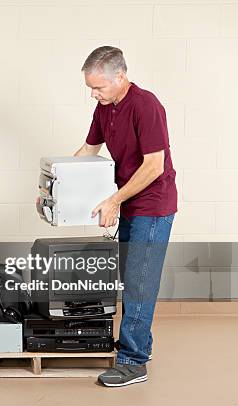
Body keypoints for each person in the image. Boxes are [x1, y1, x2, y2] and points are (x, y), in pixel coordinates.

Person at [75, 46, 177, 387]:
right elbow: (88, 151)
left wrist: (114, 200)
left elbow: (154, 165)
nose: (93, 93)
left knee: (139, 282)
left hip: (153, 204)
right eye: (90, 87)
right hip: (129, 201)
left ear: (120, 77)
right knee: (131, 279)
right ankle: (139, 348)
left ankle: (133, 363)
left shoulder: (146, 105)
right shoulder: (105, 108)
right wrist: (53, 187)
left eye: (98, 87)